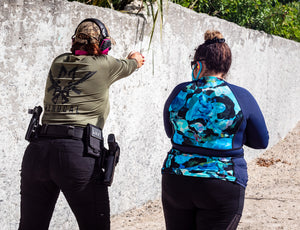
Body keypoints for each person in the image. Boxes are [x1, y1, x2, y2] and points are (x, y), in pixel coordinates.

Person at [19, 18, 145, 230]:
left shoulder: (58, 61)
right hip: (77, 154)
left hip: (38, 151)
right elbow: (133, 63)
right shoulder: (106, 65)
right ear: (104, 45)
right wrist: (135, 57)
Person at [161, 30, 269, 230]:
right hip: (222, 182)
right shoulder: (241, 96)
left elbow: (172, 132)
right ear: (227, 65)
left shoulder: (180, 91)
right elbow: (261, 141)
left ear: (197, 64)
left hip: (176, 179)